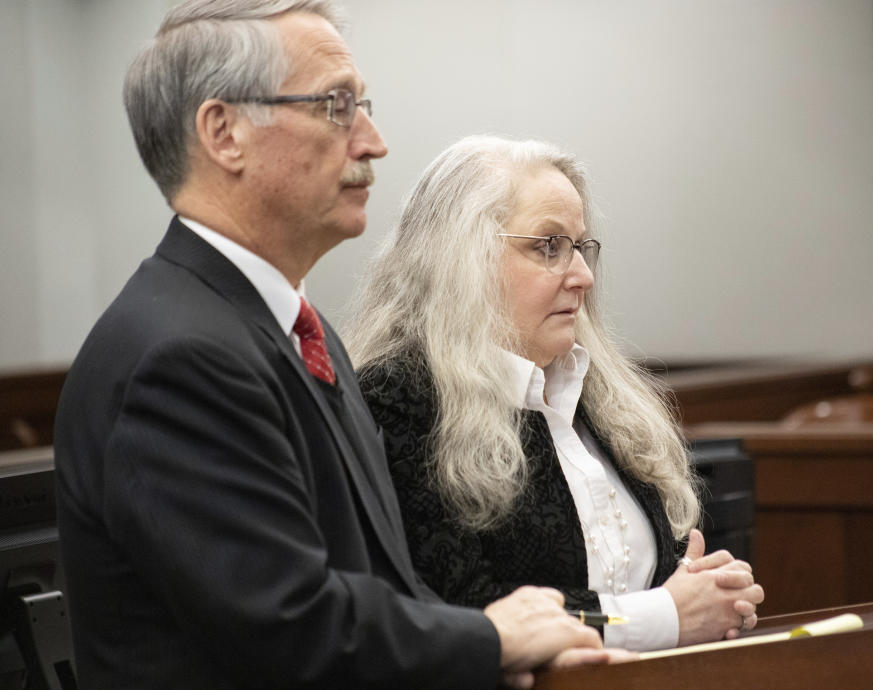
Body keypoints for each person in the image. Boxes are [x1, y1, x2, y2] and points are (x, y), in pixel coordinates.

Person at [53, 4, 606, 688]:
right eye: (337, 105)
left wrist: (520, 647)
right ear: (224, 133)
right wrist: (490, 638)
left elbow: (383, 584)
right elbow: (289, 628)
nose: (372, 141)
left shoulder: (295, 332)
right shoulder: (179, 357)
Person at [346, 135, 765, 652]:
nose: (584, 277)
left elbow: (668, 580)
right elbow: (463, 614)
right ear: (463, 260)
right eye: (549, 246)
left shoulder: (597, 396)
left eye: (581, 246)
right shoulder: (398, 398)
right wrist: (666, 615)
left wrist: (713, 596)